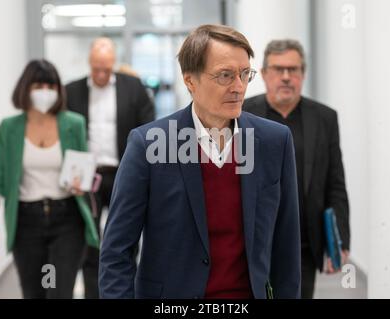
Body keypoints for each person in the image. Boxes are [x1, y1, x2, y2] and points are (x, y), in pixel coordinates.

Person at [99, 24, 301, 299]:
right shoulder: (148, 144)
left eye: (244, 74)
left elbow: (286, 246)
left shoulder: (274, 141)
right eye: (225, 76)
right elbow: (116, 251)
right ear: (190, 80)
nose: (238, 87)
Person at [243, 39, 350, 299]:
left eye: (294, 70)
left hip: (302, 242)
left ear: (303, 74)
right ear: (265, 74)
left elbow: (335, 182)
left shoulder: (325, 118)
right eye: (279, 69)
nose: (286, 77)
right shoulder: (241, 114)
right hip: (252, 239)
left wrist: (341, 240)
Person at [0, 60, 99, 299]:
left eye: (51, 86)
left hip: (67, 218)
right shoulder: (10, 128)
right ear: (25, 88)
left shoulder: (73, 124)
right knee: (33, 292)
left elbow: (83, 167)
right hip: (26, 221)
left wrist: (81, 185)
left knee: (58, 291)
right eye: (39, 86)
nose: (45, 92)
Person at [65, 38, 155, 299]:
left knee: (125, 238)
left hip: (123, 173)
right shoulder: (72, 91)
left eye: (106, 68)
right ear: (89, 64)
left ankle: (128, 293)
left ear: (113, 64)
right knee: (91, 242)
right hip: (87, 175)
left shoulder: (133, 88)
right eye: (96, 69)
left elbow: (148, 127)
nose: (101, 74)